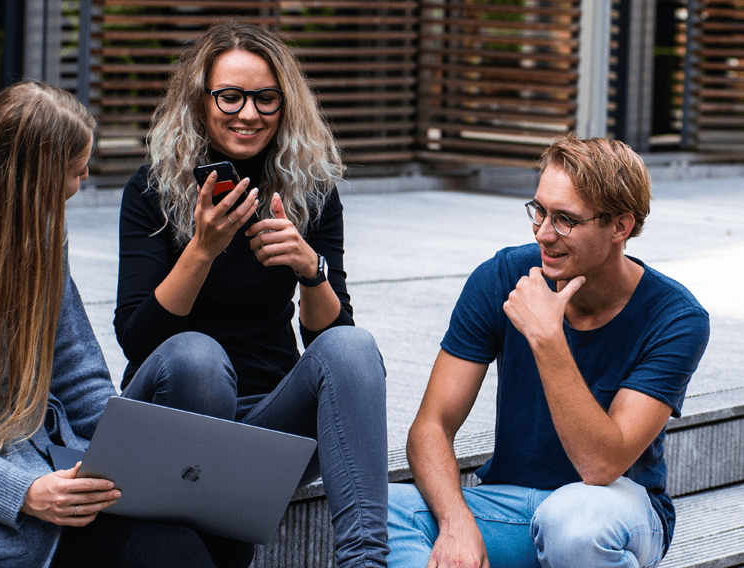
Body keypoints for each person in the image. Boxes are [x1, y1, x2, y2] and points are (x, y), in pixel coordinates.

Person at [0, 80, 247, 568]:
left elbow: (77, 372)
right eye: (74, 173)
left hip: (50, 459)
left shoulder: (38, 230)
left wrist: (133, 462)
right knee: (170, 551)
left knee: (222, 526)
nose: (78, 188)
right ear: (31, 177)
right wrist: (27, 491)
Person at [114, 19, 389, 567]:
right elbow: (137, 340)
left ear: (286, 105)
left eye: (266, 99)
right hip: (175, 411)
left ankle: (366, 561)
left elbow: (332, 341)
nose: (248, 113)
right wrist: (202, 249)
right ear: (201, 100)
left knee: (355, 349)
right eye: (231, 96)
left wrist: (310, 269)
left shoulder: (308, 191)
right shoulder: (152, 190)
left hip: (268, 421)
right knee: (198, 356)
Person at [387, 134, 710, 568]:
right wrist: (456, 522)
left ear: (620, 226)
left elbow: (601, 464)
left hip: (613, 511)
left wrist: (547, 337)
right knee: (381, 507)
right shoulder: (502, 276)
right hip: (512, 503)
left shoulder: (675, 317)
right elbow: (431, 427)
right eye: (539, 210)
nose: (543, 233)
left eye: (565, 220)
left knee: (573, 524)